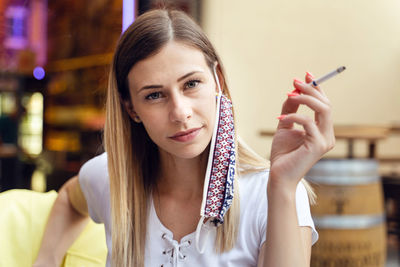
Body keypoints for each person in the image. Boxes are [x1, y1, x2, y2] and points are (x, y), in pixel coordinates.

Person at [34, 8, 334, 267]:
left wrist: (282, 187)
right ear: (131, 108)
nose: (180, 112)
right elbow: (70, 202)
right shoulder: (112, 179)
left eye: (191, 83)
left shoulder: (270, 194)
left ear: (218, 81)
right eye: (154, 95)